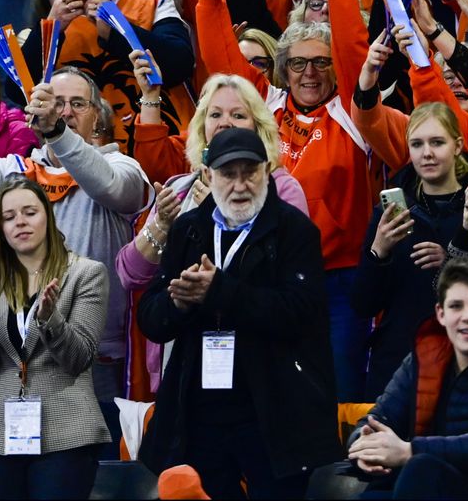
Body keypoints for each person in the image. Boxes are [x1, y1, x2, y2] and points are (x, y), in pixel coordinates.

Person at [0, 67, 152, 439]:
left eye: (76, 104)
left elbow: (109, 187)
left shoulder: (122, 166)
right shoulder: (16, 172)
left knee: (95, 473)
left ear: (99, 119)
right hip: (20, 352)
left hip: (98, 356)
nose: (64, 110)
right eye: (55, 103)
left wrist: (57, 131)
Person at [193, 0, 376, 402]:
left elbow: (355, 46)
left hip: (340, 278)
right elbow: (221, 59)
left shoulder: (354, 113)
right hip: (269, 274)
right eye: (298, 62)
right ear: (282, 67)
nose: (310, 72)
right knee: (272, 391)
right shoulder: (265, 109)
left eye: (321, 62)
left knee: (338, 388)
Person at [137, 127, 340, 499]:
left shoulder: (294, 231)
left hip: (274, 410)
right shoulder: (188, 228)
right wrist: (177, 304)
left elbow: (300, 314)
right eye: (229, 173)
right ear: (209, 176)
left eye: (251, 171)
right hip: (200, 410)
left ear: (267, 171)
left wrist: (221, 292)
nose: (240, 184)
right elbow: (151, 317)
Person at [117, 71, 308, 394]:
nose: (224, 123)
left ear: (259, 128)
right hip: (183, 364)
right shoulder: (180, 188)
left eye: (238, 115)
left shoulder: (283, 189)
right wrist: (164, 226)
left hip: (259, 362)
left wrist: (219, 218)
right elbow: (129, 274)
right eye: (215, 114)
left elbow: (288, 287)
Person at [0, 177, 110, 500]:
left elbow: (78, 358)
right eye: (8, 217)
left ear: (47, 218)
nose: (19, 221)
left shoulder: (86, 274)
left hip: (66, 429)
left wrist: (51, 321)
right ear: (0, 229)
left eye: (29, 212)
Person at [311, 257, 468, 500]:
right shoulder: (423, 357)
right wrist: (365, 448)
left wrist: (409, 451)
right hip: (424, 482)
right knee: (339, 484)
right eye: (456, 306)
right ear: (440, 314)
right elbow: (377, 418)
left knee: (420, 469)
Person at [353, 35, 468, 395]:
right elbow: (363, 303)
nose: (426, 153)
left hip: (465, 364)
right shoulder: (392, 208)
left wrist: (452, 259)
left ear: (458, 145)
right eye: (417, 144)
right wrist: (378, 251)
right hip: (398, 365)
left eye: (437, 143)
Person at [22, 0, 196, 150]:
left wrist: (113, 28)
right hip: (80, 155)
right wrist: (53, 29)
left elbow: (180, 64)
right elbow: (18, 89)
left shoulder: (153, 2)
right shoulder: (50, 23)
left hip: (159, 147)